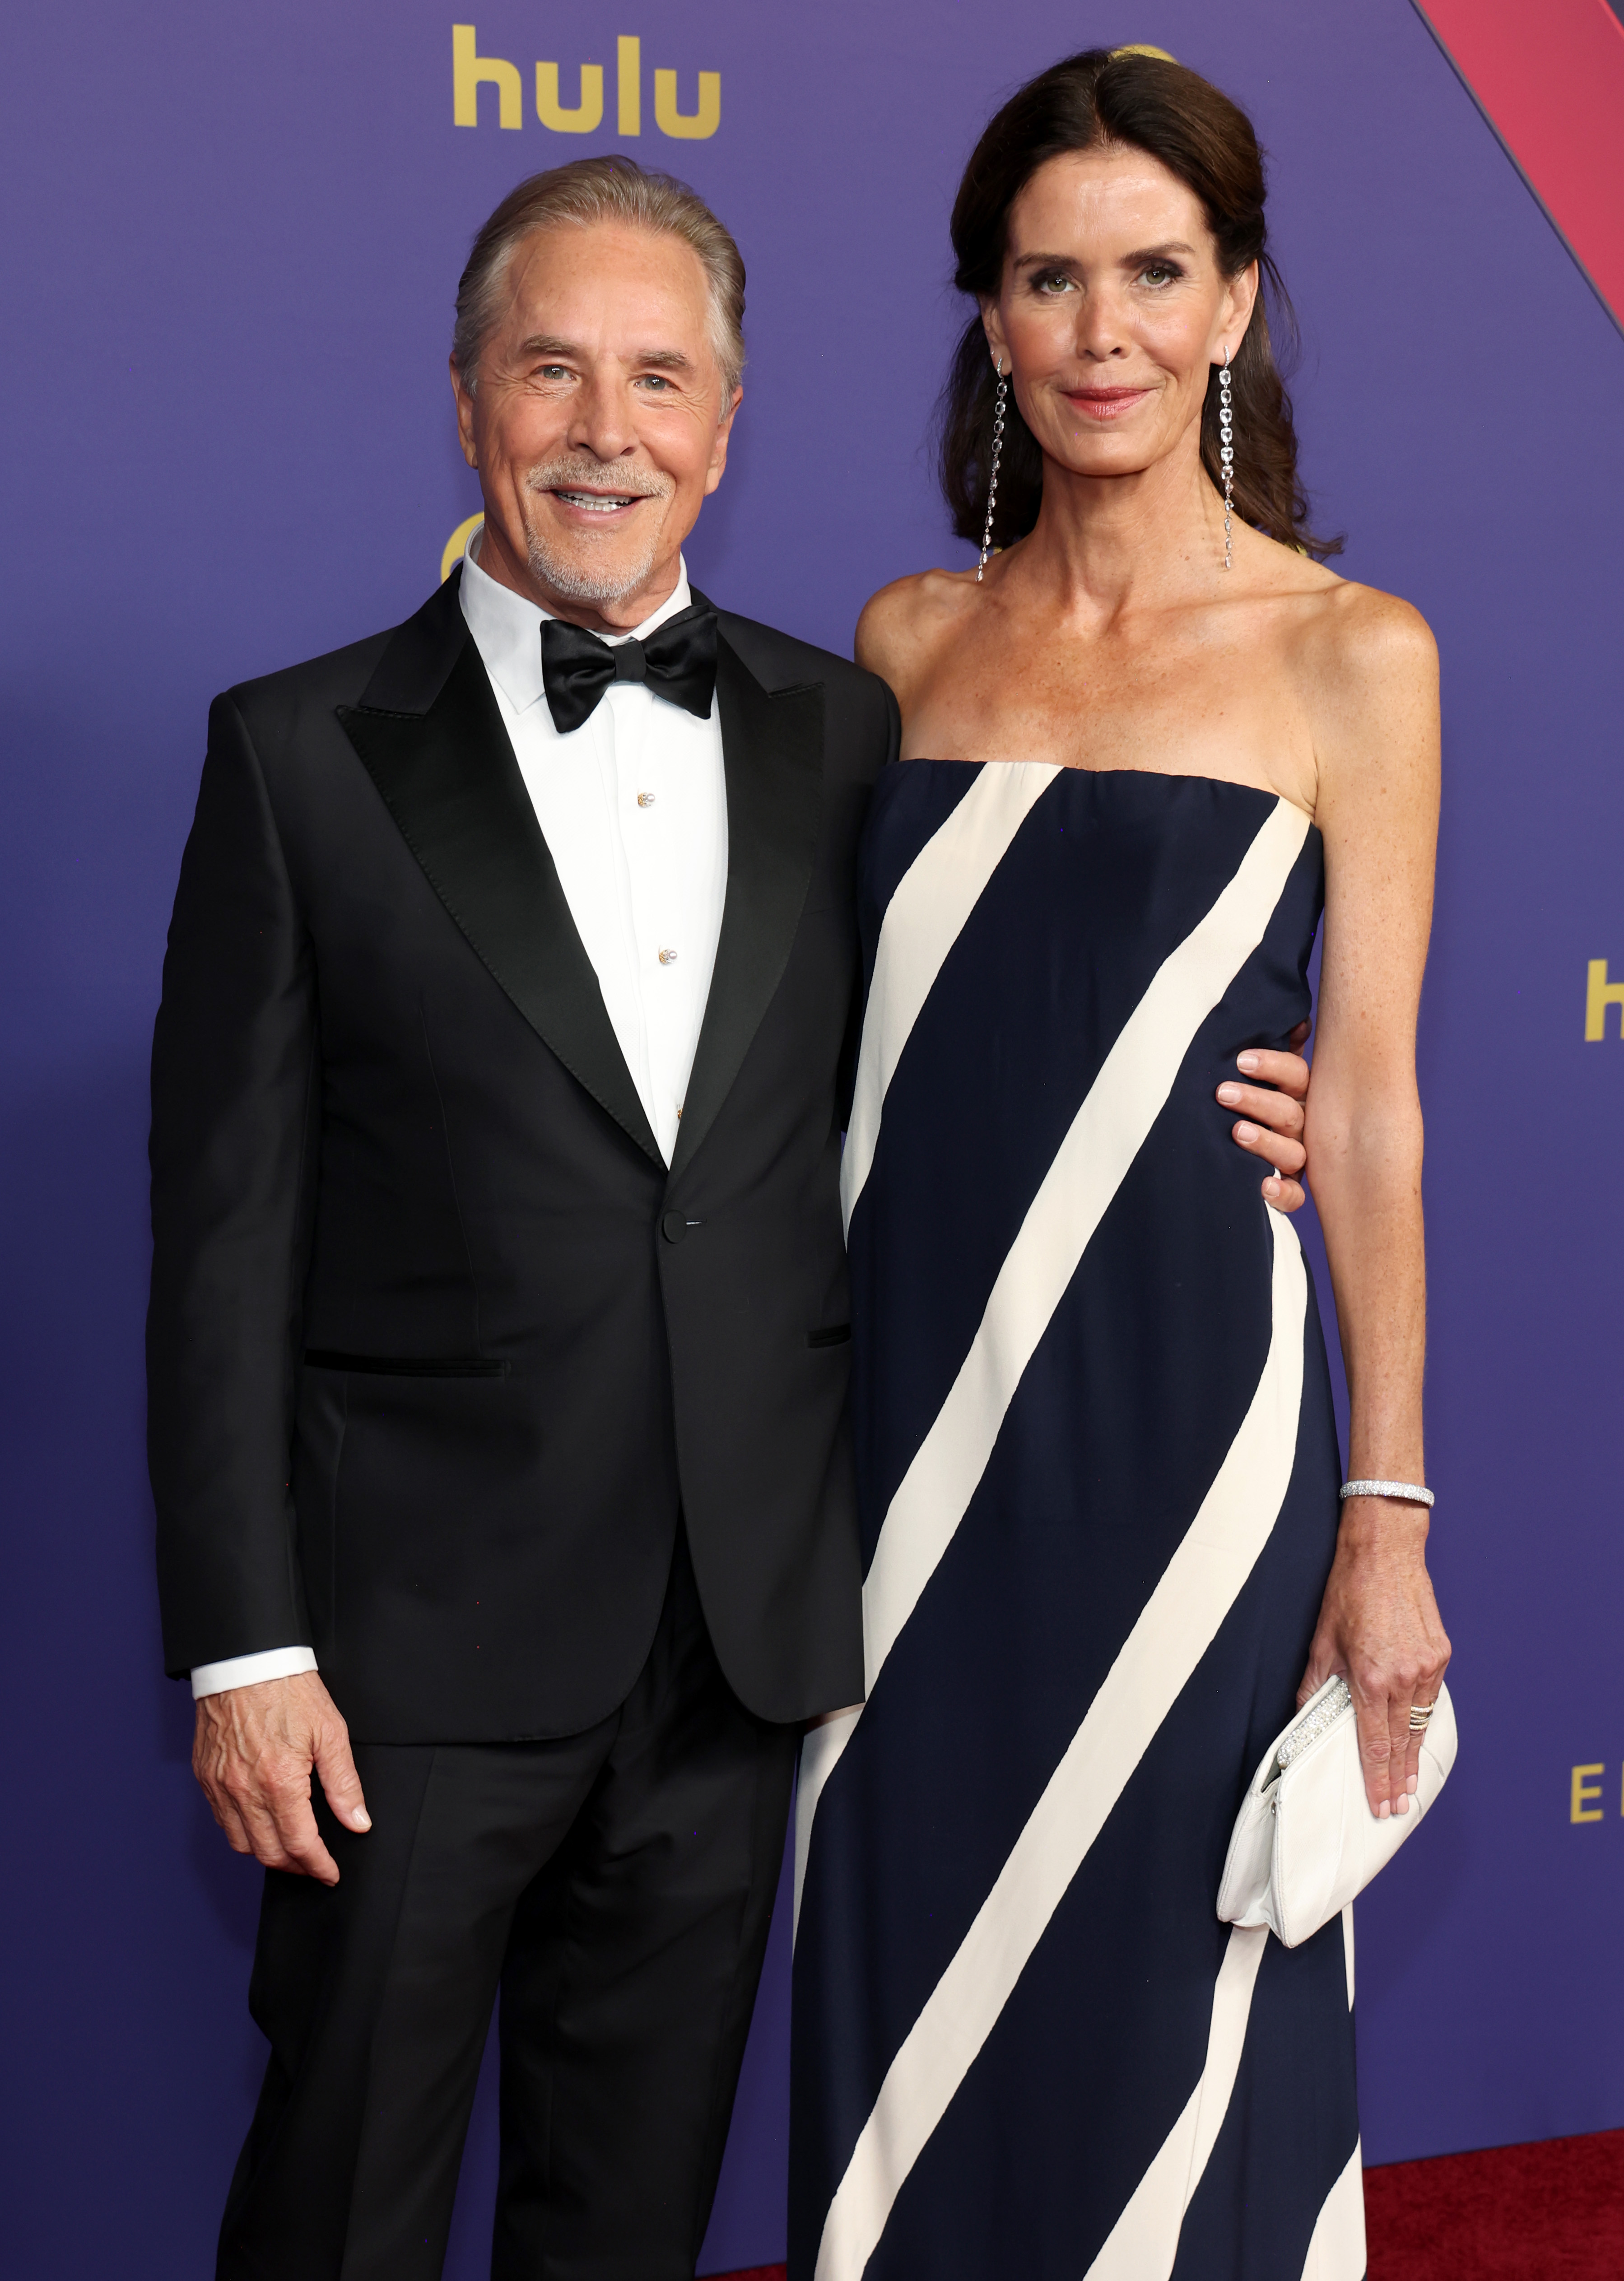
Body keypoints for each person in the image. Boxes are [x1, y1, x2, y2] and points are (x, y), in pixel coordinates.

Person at [148, 154, 1316, 2280]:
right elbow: (222, 1244)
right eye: (556, 372)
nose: (608, 432)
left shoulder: (841, 732)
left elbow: (984, 1043)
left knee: (634, 2222)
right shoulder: (298, 755)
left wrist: (1244, 1092)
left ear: (728, 422)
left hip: (739, 1648)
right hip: (399, 1663)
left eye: (661, 380)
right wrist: (250, 1650)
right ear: (468, 395)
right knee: (339, 2211)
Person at [791, 49, 1449, 2281]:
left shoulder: (1357, 659)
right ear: (990, 316)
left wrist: (1389, 1521)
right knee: (909, 2015)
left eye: (1157, 273)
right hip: (909, 1460)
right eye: (1050, 278)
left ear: (1238, 300)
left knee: (1185, 2019)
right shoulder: (901, 645)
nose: (1105, 331)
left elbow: (1364, 1100)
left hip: (1193, 1448)